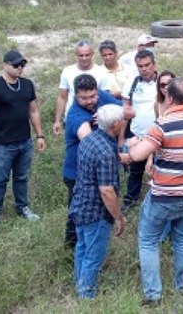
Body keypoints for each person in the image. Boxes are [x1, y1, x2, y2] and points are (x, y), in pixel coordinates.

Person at [121, 78, 183, 306]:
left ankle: (153, 295)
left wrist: (131, 147)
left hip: (164, 195)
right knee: (182, 240)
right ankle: (182, 289)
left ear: (170, 98)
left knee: (148, 241)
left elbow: (140, 155)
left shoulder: (163, 123)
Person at [62, 74, 131, 249]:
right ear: (75, 95)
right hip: (78, 173)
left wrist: (108, 114)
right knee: (78, 215)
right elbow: (93, 145)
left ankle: (87, 248)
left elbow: (130, 112)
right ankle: (72, 248)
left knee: (98, 210)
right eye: (84, 98)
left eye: (93, 96)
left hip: (97, 171)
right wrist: (124, 156)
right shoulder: (76, 116)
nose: (90, 101)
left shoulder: (101, 97)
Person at [0, 50, 47, 227]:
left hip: (24, 141)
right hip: (3, 144)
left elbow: (33, 110)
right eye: (16, 65)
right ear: (5, 65)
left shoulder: (27, 85)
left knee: (21, 177)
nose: (20, 68)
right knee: (0, 180)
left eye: (22, 65)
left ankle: (22, 207)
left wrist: (39, 135)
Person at [69, 104, 126, 299]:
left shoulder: (89, 139)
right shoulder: (105, 152)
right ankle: (86, 296)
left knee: (82, 249)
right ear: (116, 125)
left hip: (79, 204)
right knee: (93, 256)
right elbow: (107, 190)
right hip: (96, 211)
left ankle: (79, 286)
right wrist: (118, 217)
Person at [121, 49, 159, 212]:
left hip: (159, 136)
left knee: (158, 170)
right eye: (140, 66)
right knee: (135, 170)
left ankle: (157, 202)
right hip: (136, 135)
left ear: (154, 64)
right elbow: (125, 110)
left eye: (147, 65)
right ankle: (130, 201)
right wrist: (121, 137)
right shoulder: (132, 83)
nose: (144, 69)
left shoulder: (163, 83)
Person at [53, 40, 110, 136]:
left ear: (92, 54)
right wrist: (57, 121)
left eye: (87, 55)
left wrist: (102, 115)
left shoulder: (101, 73)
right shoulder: (67, 72)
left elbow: (106, 97)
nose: (84, 58)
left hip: (95, 120)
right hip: (73, 118)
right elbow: (62, 97)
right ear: (76, 55)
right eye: (81, 55)